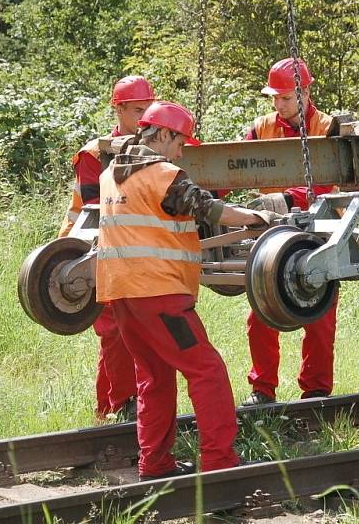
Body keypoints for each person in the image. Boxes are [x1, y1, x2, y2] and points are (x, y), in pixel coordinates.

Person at [96, 100, 277, 479]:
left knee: (154, 378)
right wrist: (259, 216)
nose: (182, 151)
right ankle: (219, 462)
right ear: (162, 134)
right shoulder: (162, 173)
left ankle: (155, 465)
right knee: (207, 371)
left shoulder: (112, 172)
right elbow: (212, 210)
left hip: (121, 293)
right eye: (179, 142)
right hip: (159, 295)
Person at [239, 57, 339, 406]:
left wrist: (285, 197)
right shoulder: (261, 128)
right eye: (274, 98)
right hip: (272, 233)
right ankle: (262, 389)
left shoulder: (327, 128)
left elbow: (329, 184)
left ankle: (316, 390)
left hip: (317, 233)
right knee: (261, 313)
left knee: (320, 314)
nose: (278, 105)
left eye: (284, 97)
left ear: (305, 91)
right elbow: (234, 166)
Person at [58, 75, 155, 420]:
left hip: (137, 249)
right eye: (138, 111)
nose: (144, 118)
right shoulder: (94, 154)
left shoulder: (158, 145)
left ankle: (118, 410)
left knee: (137, 329)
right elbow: (95, 207)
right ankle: (118, 407)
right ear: (119, 109)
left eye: (149, 110)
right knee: (114, 330)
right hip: (94, 248)